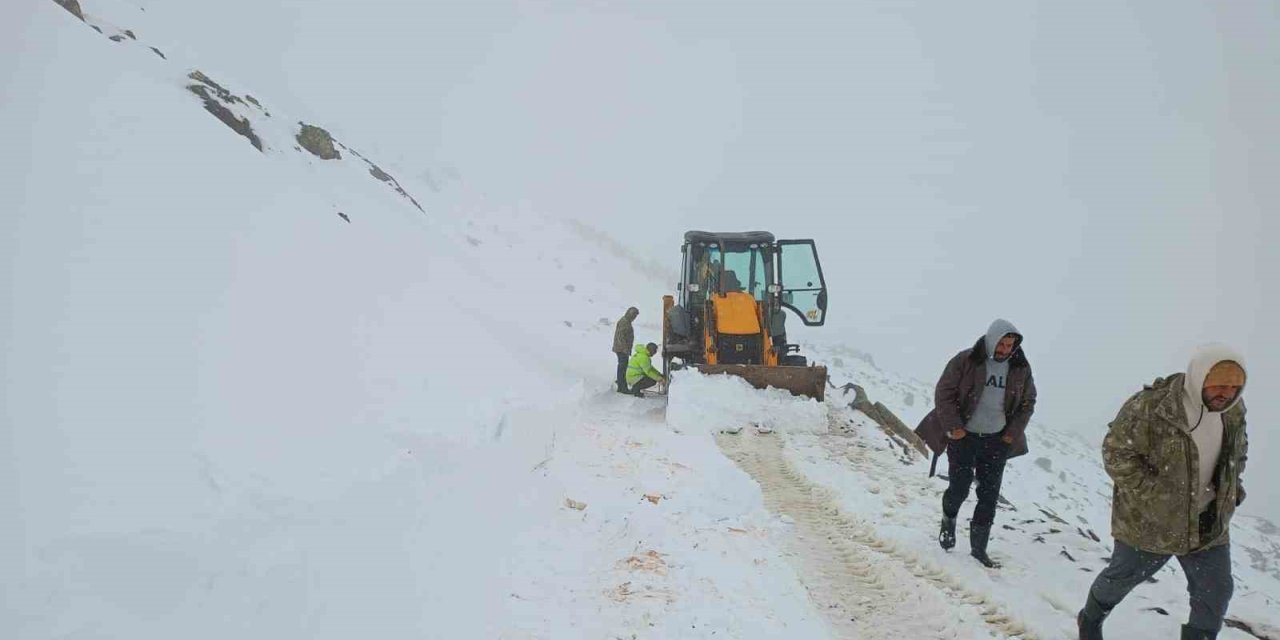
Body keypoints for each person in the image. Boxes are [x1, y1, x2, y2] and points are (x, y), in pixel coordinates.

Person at [1077, 345, 1248, 640]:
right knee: (1120, 579)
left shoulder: (1233, 413)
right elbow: (1116, 453)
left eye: (1235, 387)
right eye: (1219, 384)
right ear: (1199, 377)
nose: (1227, 393)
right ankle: (1090, 619)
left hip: (1208, 522)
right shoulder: (1152, 406)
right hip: (1150, 523)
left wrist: (1232, 487)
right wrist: (1156, 496)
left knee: (1216, 590)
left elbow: (1238, 451)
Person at [913, 319, 1037, 568]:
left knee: (989, 496)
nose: (1005, 350)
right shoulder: (966, 360)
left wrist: (1011, 434)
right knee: (959, 487)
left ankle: (979, 549)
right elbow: (944, 392)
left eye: (1010, 345)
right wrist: (954, 428)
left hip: (997, 441)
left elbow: (1028, 401)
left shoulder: (1020, 368)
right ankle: (948, 520)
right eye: (1001, 344)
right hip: (964, 438)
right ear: (991, 339)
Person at [612, 307, 639, 393]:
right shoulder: (624, 322)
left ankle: (621, 384)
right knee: (622, 367)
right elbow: (620, 337)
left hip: (623, 349)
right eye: (634, 315)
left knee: (623, 367)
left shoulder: (626, 321)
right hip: (621, 349)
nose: (634, 318)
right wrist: (625, 348)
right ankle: (622, 387)